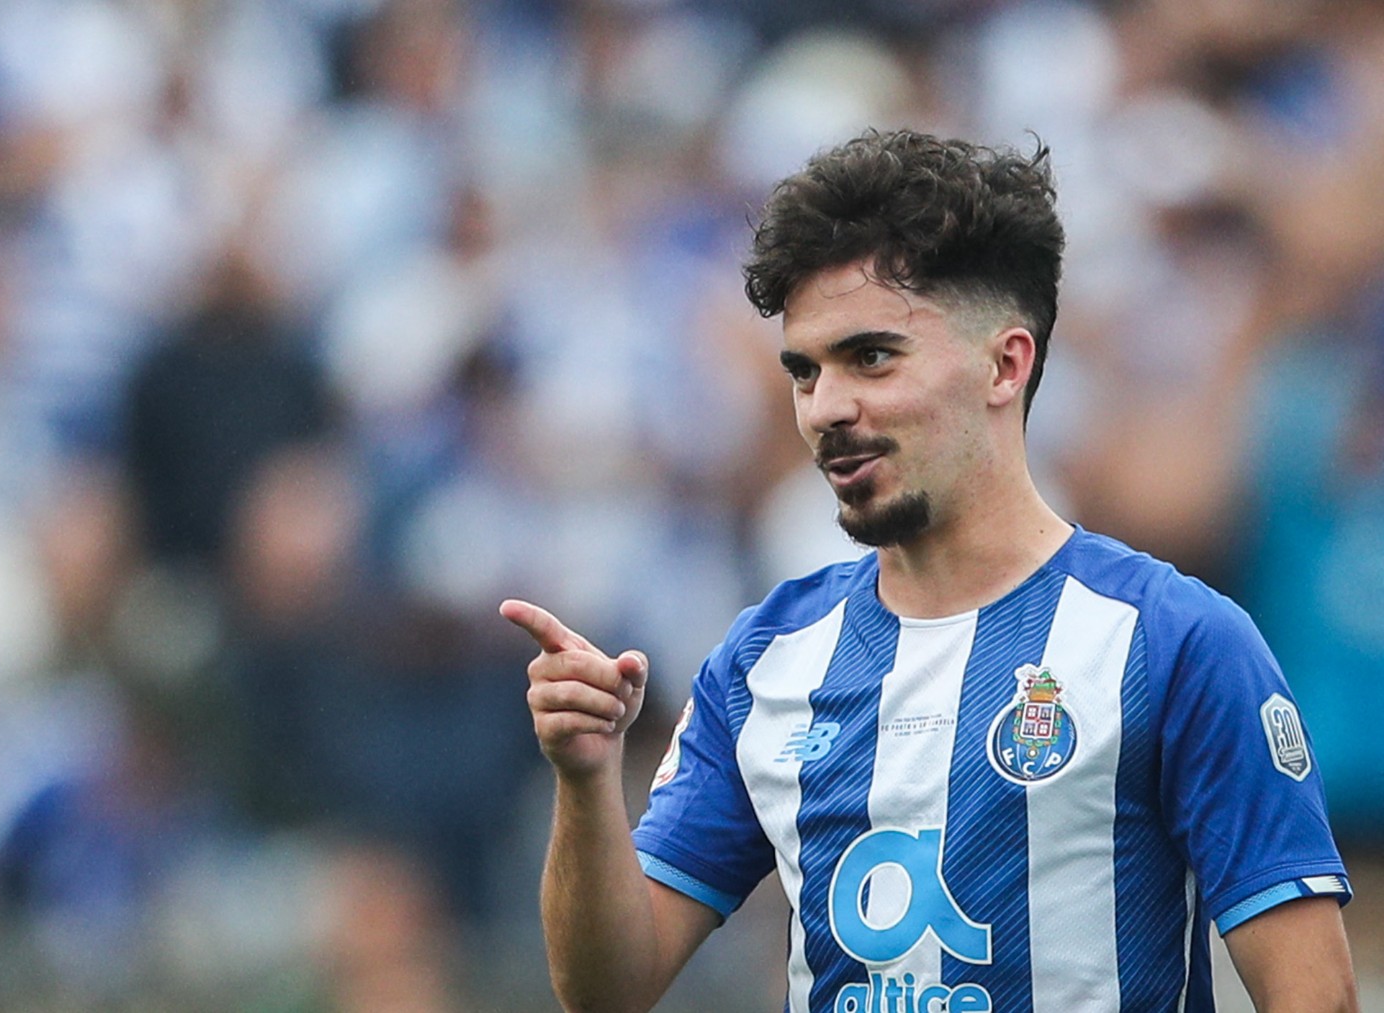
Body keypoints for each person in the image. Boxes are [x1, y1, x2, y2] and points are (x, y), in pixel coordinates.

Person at [501, 130, 1358, 1013]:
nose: (827, 407)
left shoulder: (1175, 643)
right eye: (805, 371)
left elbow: (1314, 998)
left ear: (1004, 364)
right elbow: (607, 990)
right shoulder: (763, 663)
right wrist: (586, 776)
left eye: (871, 357)